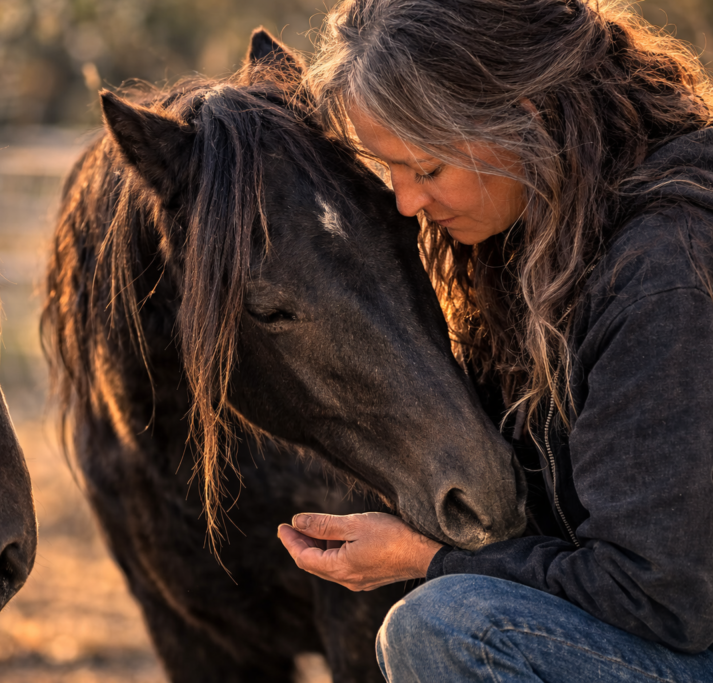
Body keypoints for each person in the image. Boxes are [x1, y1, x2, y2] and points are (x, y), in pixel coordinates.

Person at [276, 0, 713, 680]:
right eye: (390, 169)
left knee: (446, 627)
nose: (406, 202)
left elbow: (658, 597)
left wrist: (422, 558)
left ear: (525, 119)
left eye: (427, 169)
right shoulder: (537, 235)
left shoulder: (665, 272)